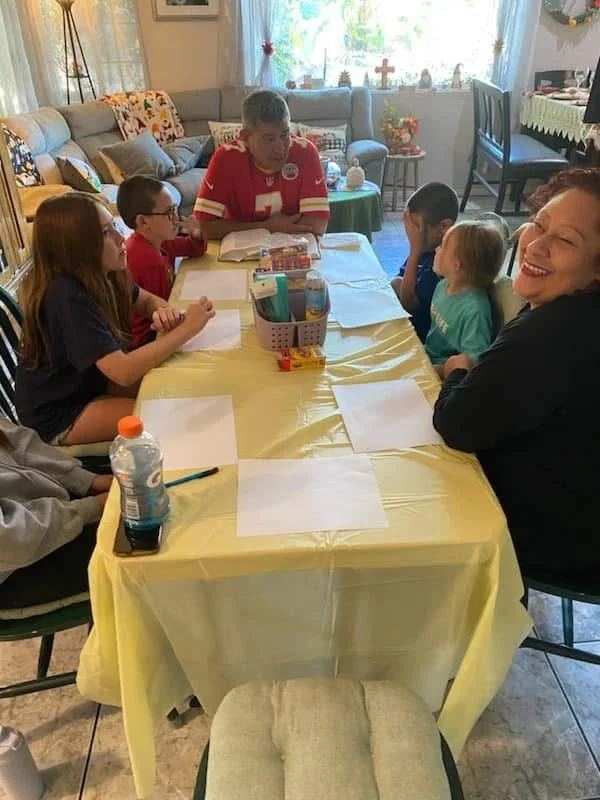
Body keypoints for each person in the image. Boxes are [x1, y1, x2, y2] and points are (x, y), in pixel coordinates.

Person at [432, 168, 600, 577]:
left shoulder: (553, 333)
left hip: (567, 540)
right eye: (540, 225)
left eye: (565, 240)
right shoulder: (567, 309)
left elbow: (456, 423)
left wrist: (457, 371)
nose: (536, 245)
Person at [15, 193, 215, 445]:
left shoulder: (104, 272)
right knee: (166, 415)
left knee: (181, 383)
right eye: (106, 232)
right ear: (75, 246)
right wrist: (187, 329)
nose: (121, 238)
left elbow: (143, 299)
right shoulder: (66, 295)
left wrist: (160, 310)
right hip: (59, 410)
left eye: (114, 227)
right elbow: (123, 372)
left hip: (91, 384)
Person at [0, 418, 110, 612]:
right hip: (15, 569)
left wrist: (89, 481)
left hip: (47, 519)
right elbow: (10, 540)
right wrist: (91, 507)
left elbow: (20, 444)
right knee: (147, 553)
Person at [194, 89, 330, 240]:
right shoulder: (225, 158)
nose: (280, 148)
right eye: (269, 138)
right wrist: (266, 227)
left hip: (292, 251)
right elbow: (202, 227)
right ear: (245, 137)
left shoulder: (306, 152)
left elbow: (318, 225)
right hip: (240, 254)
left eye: (285, 135)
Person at [117, 175, 207, 348]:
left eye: (175, 209)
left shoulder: (159, 239)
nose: (176, 218)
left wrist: (195, 234)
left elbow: (193, 248)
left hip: (158, 325)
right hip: (146, 338)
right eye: (169, 212)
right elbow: (166, 314)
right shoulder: (147, 259)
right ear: (143, 221)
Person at [425, 220, 504, 375]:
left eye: (443, 246)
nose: (437, 249)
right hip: (426, 356)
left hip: (442, 376)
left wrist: (436, 371)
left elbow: (473, 364)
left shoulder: (475, 310)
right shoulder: (443, 285)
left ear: (456, 265)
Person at [390, 182, 459, 343]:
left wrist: (414, 249)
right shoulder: (425, 249)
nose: (412, 234)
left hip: (420, 340)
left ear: (444, 226)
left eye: (417, 228)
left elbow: (408, 303)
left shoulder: (442, 264)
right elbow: (399, 280)